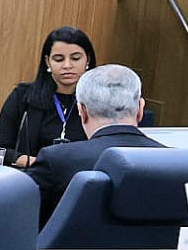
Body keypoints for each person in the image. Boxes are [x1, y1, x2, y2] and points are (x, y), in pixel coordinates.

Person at [27, 64, 162, 226]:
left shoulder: (55, 161)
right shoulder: (181, 165)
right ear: (140, 109)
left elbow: (14, 215)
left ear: (82, 111)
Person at [0, 26, 97, 167]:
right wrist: (40, 164)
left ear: (88, 60)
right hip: (31, 179)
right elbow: (1, 150)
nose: (67, 65)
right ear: (47, 61)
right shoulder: (22, 97)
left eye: (75, 58)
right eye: (58, 59)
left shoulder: (101, 102)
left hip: (81, 180)